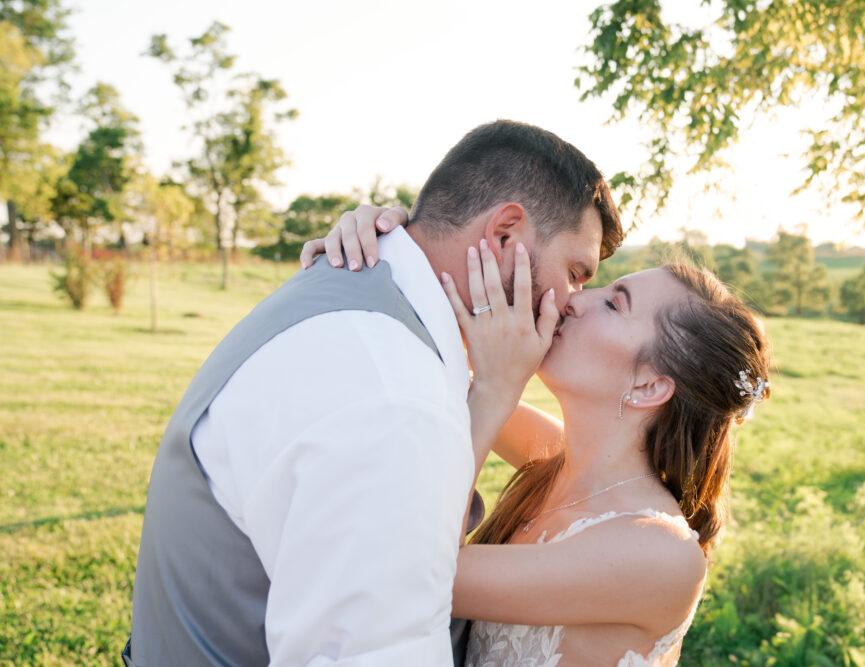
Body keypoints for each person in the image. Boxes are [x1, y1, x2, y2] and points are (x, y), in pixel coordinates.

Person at [122, 120, 623, 667]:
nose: (573, 300)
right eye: (575, 272)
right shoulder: (397, 398)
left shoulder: (356, 290)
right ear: (505, 237)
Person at [310, 207, 772, 665]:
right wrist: (393, 243)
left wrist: (497, 388)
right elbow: (441, 368)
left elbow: (405, 576)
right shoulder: (559, 461)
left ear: (649, 386)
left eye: (613, 303)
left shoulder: (659, 554)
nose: (574, 298)